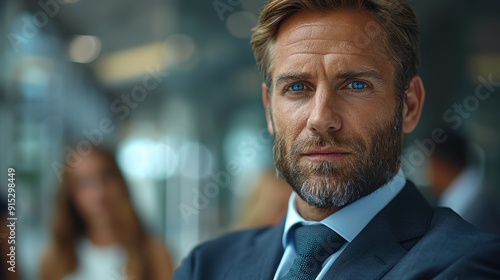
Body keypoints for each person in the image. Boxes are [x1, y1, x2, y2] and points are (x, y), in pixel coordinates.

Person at [173, 0, 500, 279]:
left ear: (409, 105)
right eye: (297, 87)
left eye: (355, 85)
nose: (321, 119)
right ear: (269, 111)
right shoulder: (206, 267)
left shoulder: (468, 263)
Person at [40, 147, 173, 280]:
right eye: (84, 183)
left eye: (106, 177)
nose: (99, 193)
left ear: (121, 182)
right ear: (69, 195)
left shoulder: (154, 253)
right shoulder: (54, 259)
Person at [427, 128, 500, 235]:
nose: (426, 173)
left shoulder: (477, 212)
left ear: (439, 163)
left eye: (427, 163)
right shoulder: (480, 197)